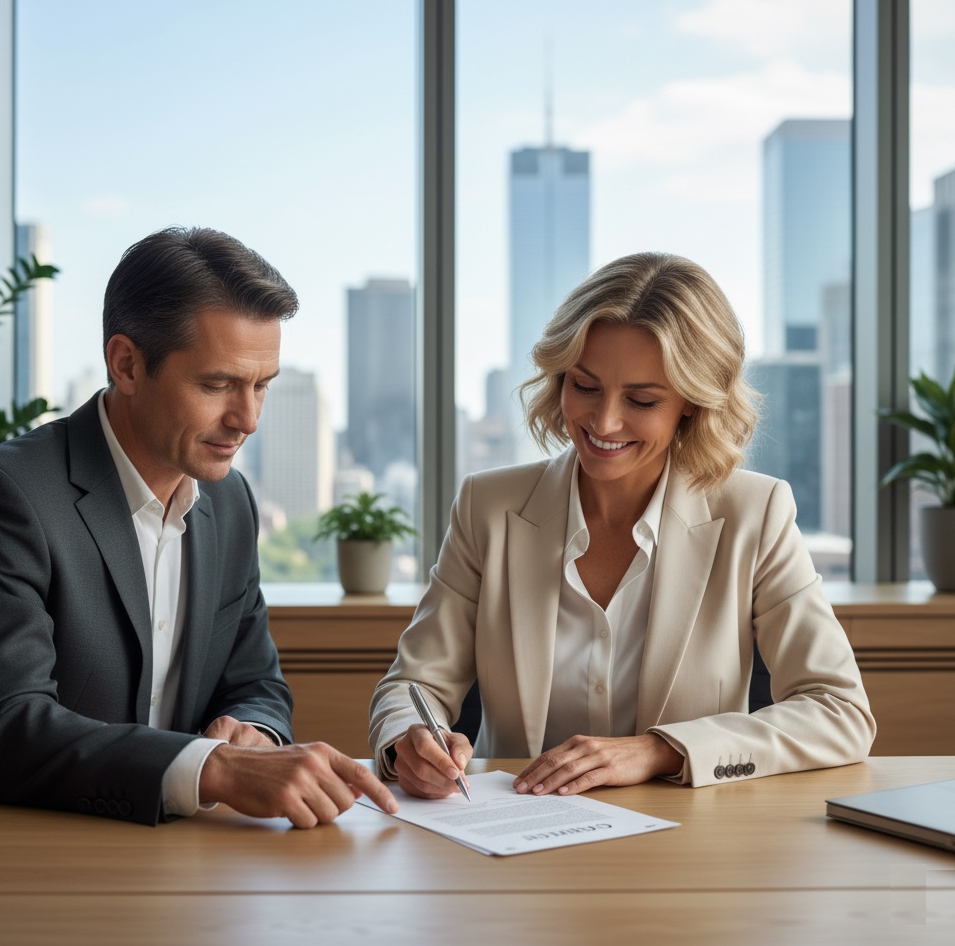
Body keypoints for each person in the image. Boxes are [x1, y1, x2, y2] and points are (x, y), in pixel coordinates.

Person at [369, 251, 875, 800]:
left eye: (641, 399)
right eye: (584, 386)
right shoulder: (486, 507)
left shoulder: (757, 512)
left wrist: (660, 749)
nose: (604, 422)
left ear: (692, 402)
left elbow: (840, 711)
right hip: (515, 839)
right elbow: (413, 683)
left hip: (688, 840)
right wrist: (407, 743)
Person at [0, 226, 397, 827]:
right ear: (126, 364)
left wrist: (254, 735)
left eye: (262, 386)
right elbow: (3, 730)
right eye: (217, 385)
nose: (248, 419)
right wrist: (215, 769)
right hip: (41, 854)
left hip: (191, 861)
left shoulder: (230, 500)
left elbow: (256, 680)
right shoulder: (6, 497)